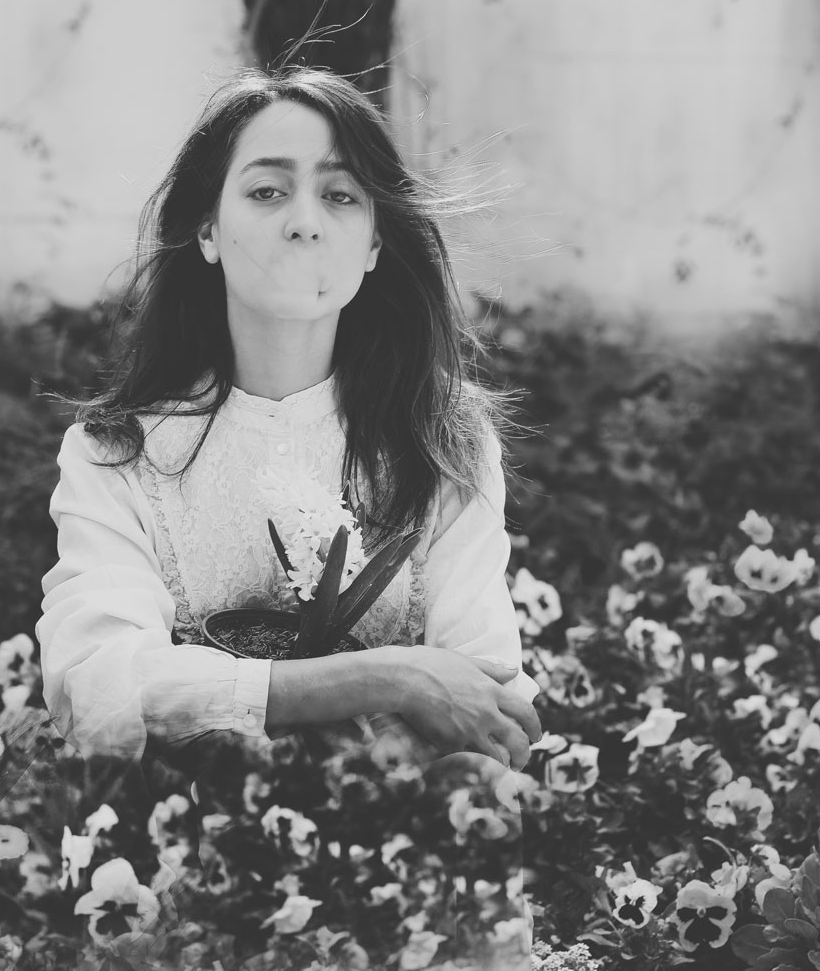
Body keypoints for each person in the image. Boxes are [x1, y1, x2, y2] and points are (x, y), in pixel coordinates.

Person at [37, 65, 542, 770]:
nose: (304, 222)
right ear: (208, 230)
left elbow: (487, 699)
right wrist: (386, 676)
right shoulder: (116, 456)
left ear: (372, 246)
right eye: (267, 191)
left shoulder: (442, 447)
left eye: (339, 195)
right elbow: (99, 686)